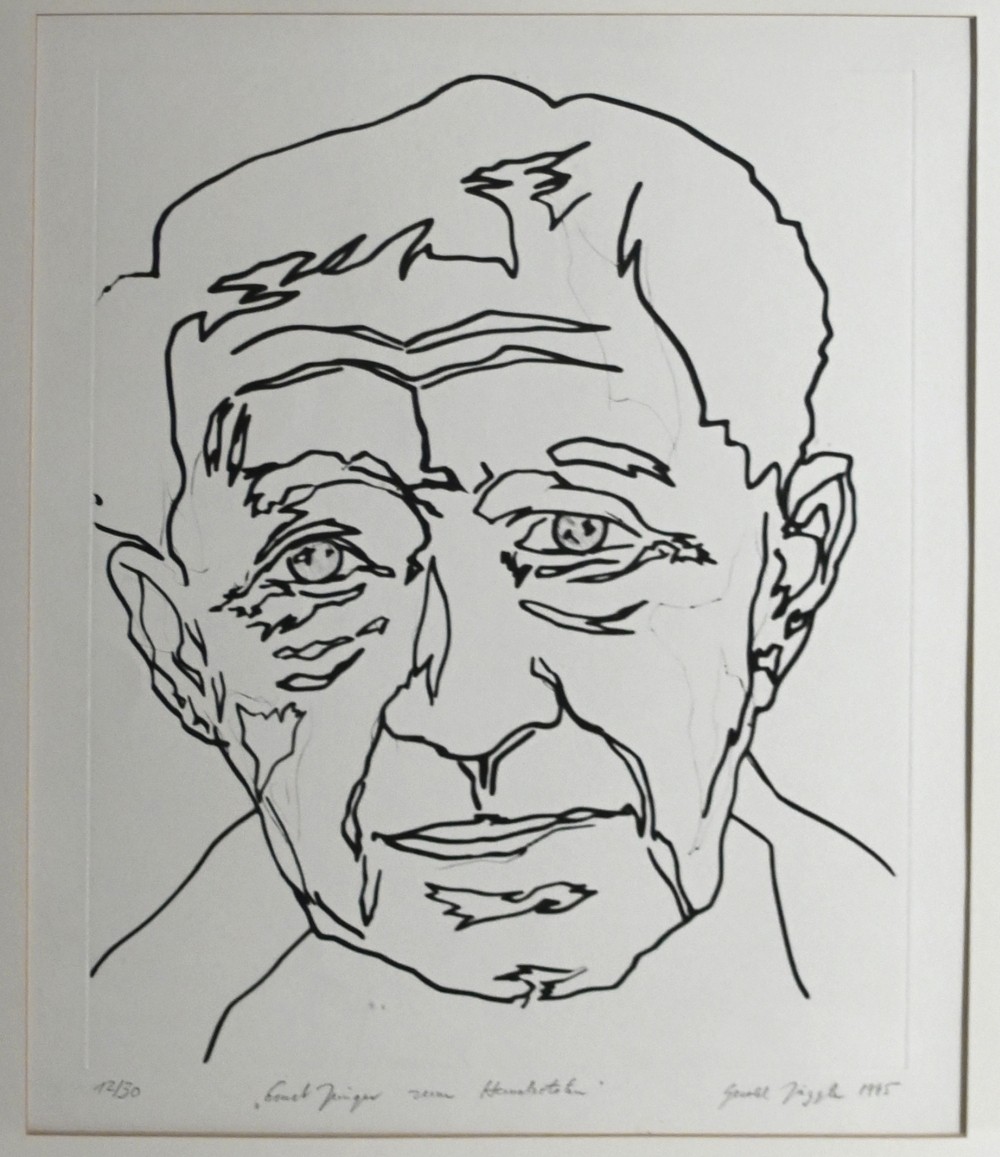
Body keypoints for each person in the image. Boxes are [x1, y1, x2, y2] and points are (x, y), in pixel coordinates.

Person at [91, 76, 897, 1064]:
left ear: (786, 577)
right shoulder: (99, 1043)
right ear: (181, 650)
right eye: (321, 560)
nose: (466, 716)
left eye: (578, 536)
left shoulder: (917, 996)